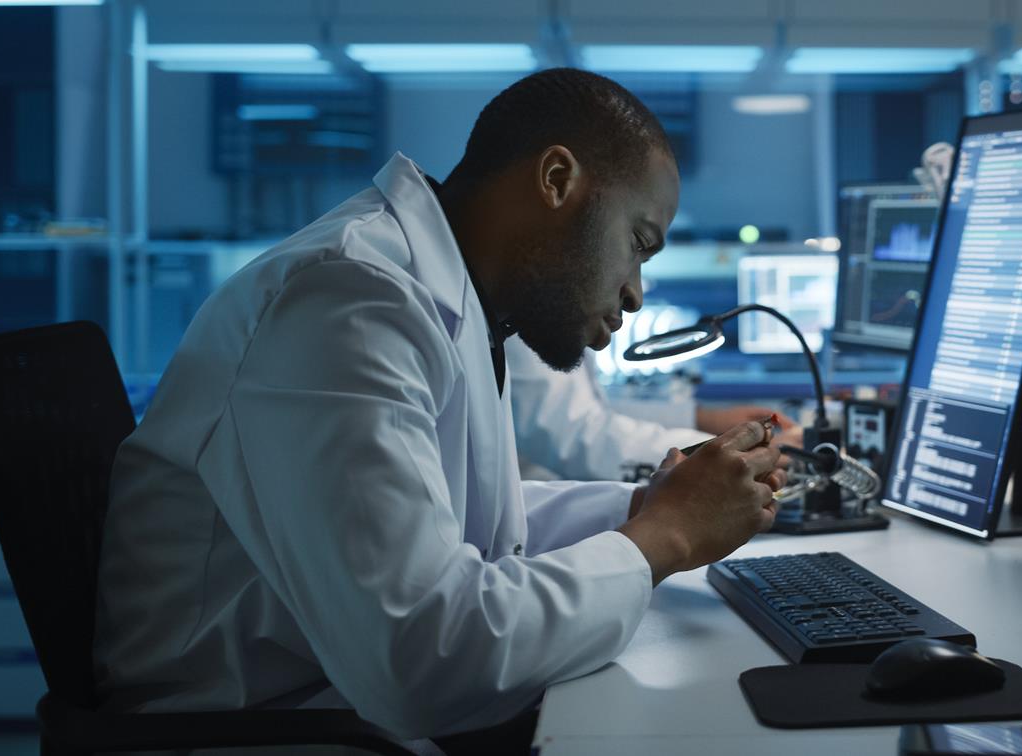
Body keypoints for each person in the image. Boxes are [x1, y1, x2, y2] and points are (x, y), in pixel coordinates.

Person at [93, 68, 788, 750]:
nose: (636, 293)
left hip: (328, 695)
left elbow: (462, 530)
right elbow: (421, 656)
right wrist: (662, 538)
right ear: (555, 182)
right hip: (258, 725)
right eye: (638, 243)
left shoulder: (449, 299)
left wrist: (645, 508)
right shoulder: (350, 299)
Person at [507, 339, 801, 482]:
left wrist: (704, 420)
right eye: (638, 244)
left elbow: (594, 409)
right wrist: (735, 449)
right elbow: (576, 434)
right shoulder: (526, 321)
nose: (634, 294)